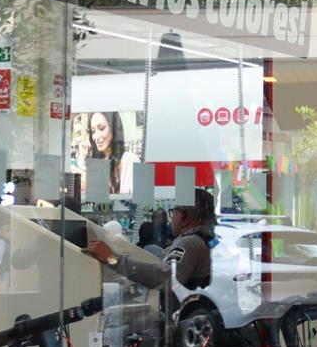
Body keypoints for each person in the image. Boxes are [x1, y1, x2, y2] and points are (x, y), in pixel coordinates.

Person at [88, 188, 217, 294]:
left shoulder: (189, 243)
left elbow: (164, 278)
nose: (172, 218)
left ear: (184, 216)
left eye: (174, 212)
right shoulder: (205, 240)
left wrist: (112, 259)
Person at [83, 111, 136, 195]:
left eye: (101, 128)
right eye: (93, 131)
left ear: (114, 128)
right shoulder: (97, 162)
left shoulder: (129, 160)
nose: (96, 137)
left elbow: (133, 202)